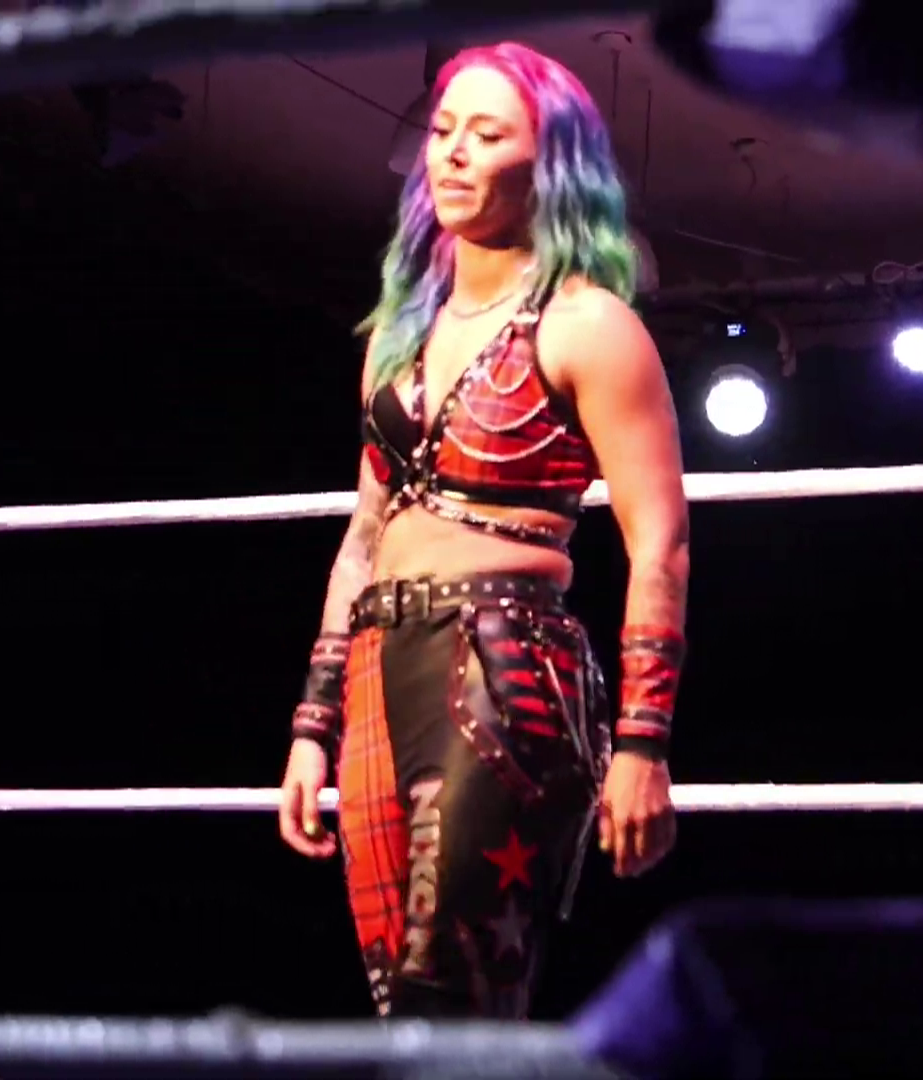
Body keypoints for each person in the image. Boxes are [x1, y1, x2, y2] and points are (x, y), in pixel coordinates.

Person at [277, 41, 690, 1020]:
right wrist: (310, 726)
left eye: (488, 133)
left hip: (503, 667)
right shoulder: (399, 336)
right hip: (381, 659)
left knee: (451, 983)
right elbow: (365, 534)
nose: (454, 152)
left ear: (550, 165)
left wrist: (644, 741)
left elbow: (660, 543)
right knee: (397, 996)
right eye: (443, 129)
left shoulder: (589, 326)